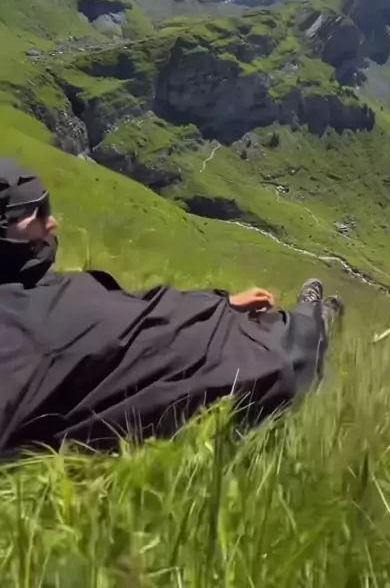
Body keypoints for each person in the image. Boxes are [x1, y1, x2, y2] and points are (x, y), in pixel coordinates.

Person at [0, 157, 344, 457]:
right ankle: (315, 321)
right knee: (283, 342)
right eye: (37, 212)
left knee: (256, 323)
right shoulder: (23, 338)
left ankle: (307, 318)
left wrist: (220, 300)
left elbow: (132, 309)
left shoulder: (27, 288)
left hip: (182, 344)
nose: (52, 222)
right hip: (247, 366)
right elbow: (148, 323)